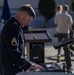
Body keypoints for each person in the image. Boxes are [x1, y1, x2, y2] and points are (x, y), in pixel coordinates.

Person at [0, 4, 45, 75]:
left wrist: (31, 63)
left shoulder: (17, 26)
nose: (28, 23)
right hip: (11, 70)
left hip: (15, 68)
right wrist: (29, 65)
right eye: (28, 20)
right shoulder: (13, 27)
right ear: (23, 15)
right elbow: (13, 52)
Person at [54, 5, 73, 72]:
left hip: (59, 31)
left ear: (63, 9)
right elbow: (70, 25)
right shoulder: (69, 16)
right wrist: (70, 30)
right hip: (66, 32)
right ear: (67, 9)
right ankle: (67, 58)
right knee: (66, 46)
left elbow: (55, 22)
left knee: (59, 44)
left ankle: (58, 54)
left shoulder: (58, 15)